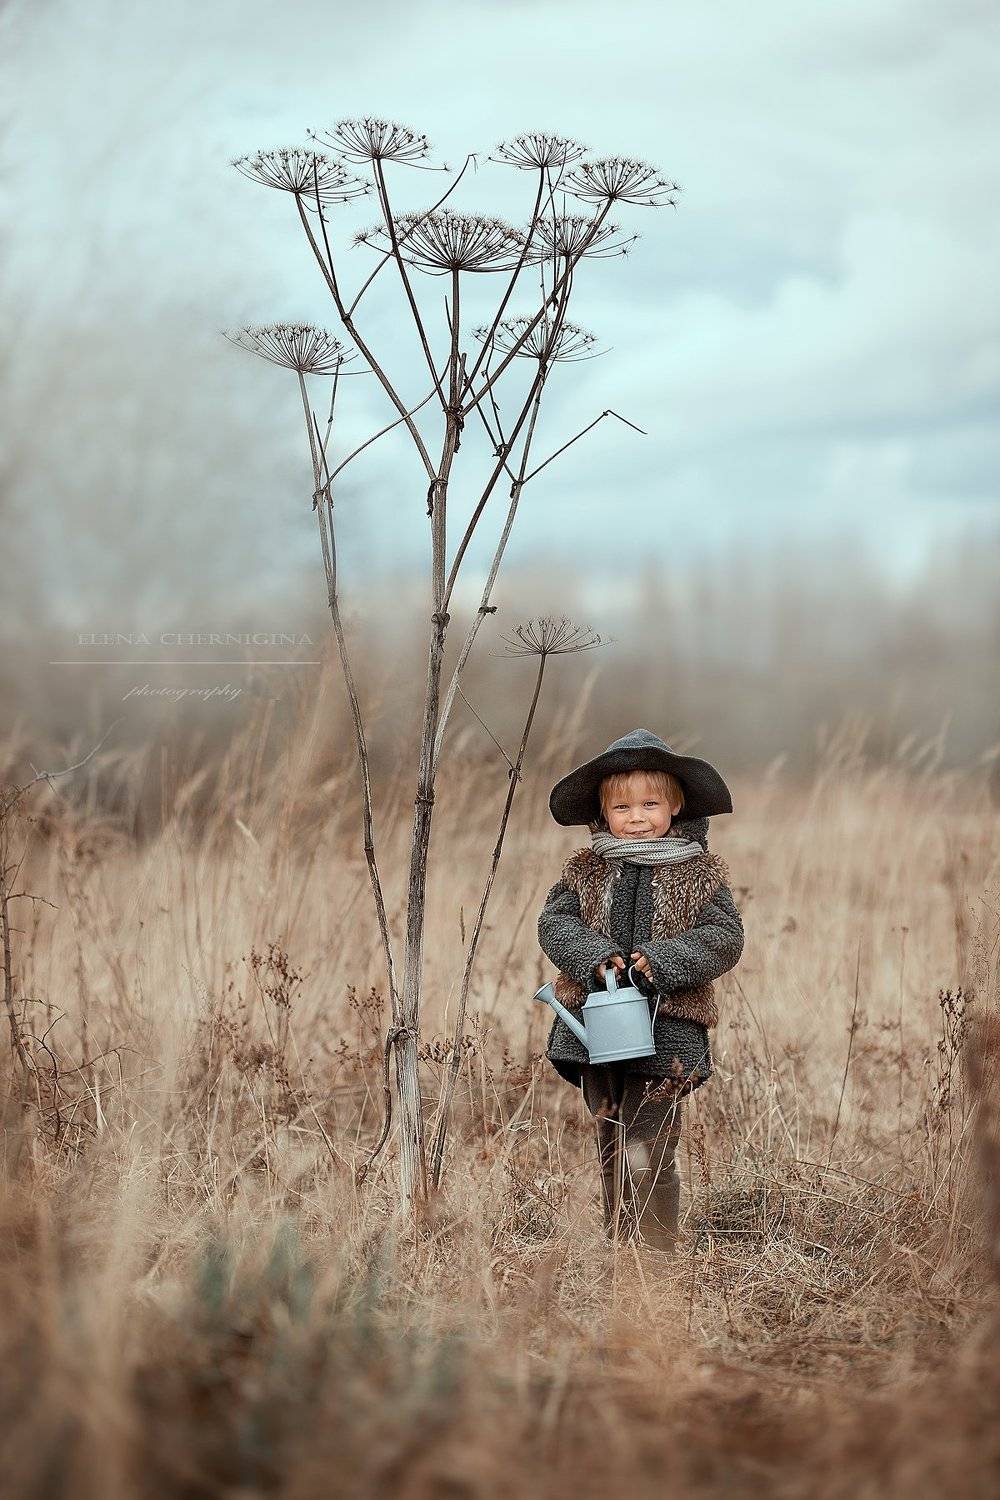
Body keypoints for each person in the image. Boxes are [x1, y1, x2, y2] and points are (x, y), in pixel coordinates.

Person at [536, 727, 745, 1253]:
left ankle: (653, 1251)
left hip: (668, 1036)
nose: (636, 817)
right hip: (596, 1036)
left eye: (650, 804)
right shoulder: (584, 872)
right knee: (611, 1138)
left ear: (675, 806)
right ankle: (618, 1241)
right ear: (603, 814)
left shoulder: (697, 873)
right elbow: (554, 924)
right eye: (622, 807)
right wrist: (593, 956)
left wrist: (664, 963)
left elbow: (724, 939)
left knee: (648, 1143)